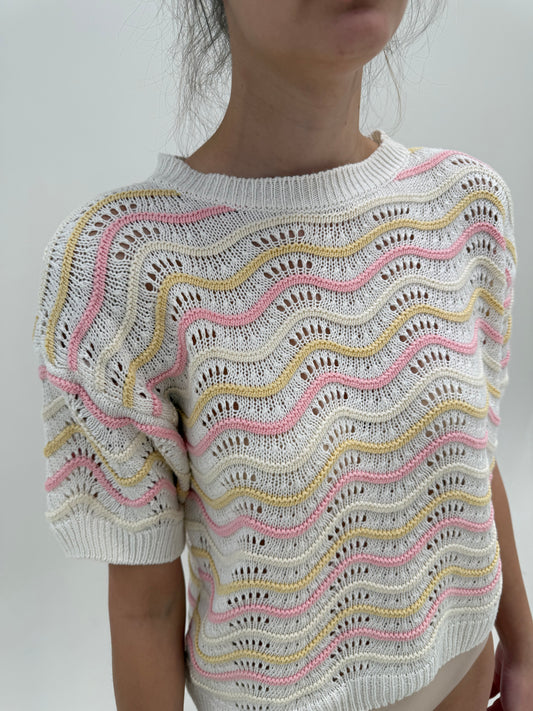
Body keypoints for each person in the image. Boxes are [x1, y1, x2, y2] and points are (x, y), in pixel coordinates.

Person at [31, 1, 533, 710]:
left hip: (465, 679)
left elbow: (475, 463)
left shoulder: (464, 202)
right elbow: (145, 605)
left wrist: (524, 648)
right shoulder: (125, 267)